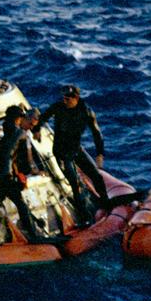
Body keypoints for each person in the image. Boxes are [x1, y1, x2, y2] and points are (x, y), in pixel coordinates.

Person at [0, 105, 45, 241]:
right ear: (19, 119)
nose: (30, 127)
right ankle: (34, 236)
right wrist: (30, 171)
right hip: (5, 176)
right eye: (28, 123)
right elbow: (24, 160)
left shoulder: (6, 129)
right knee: (20, 204)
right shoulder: (20, 133)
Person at [39, 84, 109, 224]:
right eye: (63, 98)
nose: (64, 101)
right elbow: (44, 117)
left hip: (76, 149)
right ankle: (84, 218)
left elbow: (96, 134)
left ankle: (107, 205)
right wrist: (36, 129)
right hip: (61, 152)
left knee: (97, 177)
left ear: (76, 98)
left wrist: (100, 154)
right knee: (75, 184)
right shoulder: (58, 107)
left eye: (67, 99)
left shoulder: (86, 112)